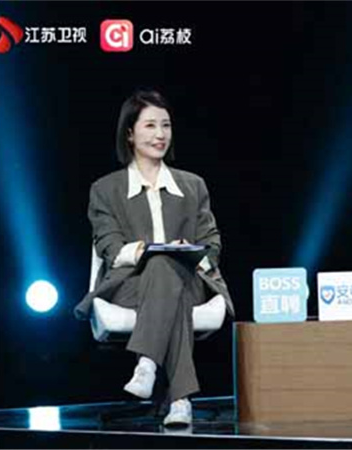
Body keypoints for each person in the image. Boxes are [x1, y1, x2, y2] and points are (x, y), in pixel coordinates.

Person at [74, 90, 234, 426]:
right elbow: (110, 248)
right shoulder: (105, 189)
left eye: (166, 125)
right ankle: (180, 400)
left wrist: (189, 253)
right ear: (130, 134)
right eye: (150, 125)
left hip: (188, 282)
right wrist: (149, 250)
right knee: (161, 263)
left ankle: (147, 362)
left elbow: (211, 242)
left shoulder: (193, 185)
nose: (160, 134)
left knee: (168, 268)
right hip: (129, 285)